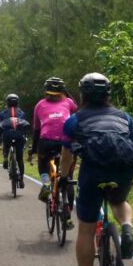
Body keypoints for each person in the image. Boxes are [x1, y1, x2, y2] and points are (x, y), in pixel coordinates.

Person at [64, 72, 133, 266]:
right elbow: (127, 143)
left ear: (82, 94)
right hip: (122, 170)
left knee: (86, 229)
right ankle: (127, 228)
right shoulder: (125, 117)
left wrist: (64, 176)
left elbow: (68, 153)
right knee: (119, 201)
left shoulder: (75, 120)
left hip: (92, 173)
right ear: (108, 94)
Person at [28, 77, 79, 213]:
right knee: (68, 175)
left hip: (46, 141)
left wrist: (34, 149)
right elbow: (76, 111)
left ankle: (45, 183)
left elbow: (36, 129)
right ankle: (68, 209)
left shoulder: (39, 105)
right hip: (66, 141)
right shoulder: (68, 102)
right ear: (62, 91)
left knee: (43, 162)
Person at [0, 93, 30, 188]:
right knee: (20, 159)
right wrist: (25, 136)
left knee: (5, 144)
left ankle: (5, 158)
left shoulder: (3, 113)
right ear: (17, 103)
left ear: (7, 103)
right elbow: (24, 126)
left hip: (7, 135)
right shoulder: (22, 113)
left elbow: (0, 127)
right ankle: (22, 180)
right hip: (19, 136)